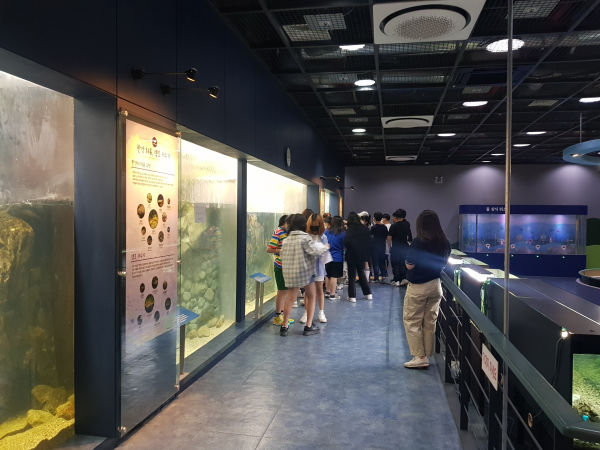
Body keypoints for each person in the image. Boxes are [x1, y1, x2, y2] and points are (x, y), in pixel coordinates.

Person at [403, 210, 451, 369]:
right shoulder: (445, 242)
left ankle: (420, 356)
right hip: (436, 286)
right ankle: (427, 354)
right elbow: (444, 263)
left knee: (412, 321)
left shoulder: (418, 242)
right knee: (430, 322)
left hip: (419, 287)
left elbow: (410, 265)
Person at [280, 214, 329, 336]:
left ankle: (284, 327)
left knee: (290, 299)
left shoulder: (286, 240)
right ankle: (308, 326)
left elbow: (282, 256)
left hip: (290, 273)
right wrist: (325, 247)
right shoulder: (305, 238)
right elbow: (316, 252)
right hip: (306, 273)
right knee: (311, 296)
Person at [267, 215, 296, 326]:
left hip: (288, 266)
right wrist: (282, 250)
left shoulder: (288, 233)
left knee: (285, 291)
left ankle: (282, 316)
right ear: (287, 223)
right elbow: (269, 249)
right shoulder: (278, 232)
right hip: (280, 266)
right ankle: (278, 316)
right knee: (282, 291)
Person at [301, 214, 329, 324]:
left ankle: (321, 312)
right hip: (308, 267)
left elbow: (325, 251)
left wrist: (325, 249)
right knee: (308, 291)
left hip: (319, 266)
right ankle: (306, 313)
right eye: (312, 225)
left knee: (319, 289)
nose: (314, 227)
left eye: (316, 225)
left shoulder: (323, 237)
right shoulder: (306, 236)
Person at [343, 212, 372, 303]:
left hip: (351, 254)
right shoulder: (364, 228)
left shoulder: (350, 229)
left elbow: (346, 242)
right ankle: (368, 293)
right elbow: (369, 242)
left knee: (352, 276)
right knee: (361, 273)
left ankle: (352, 296)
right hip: (362, 254)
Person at [388, 209, 412, 286]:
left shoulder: (393, 226)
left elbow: (389, 238)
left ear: (395, 218)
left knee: (395, 264)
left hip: (395, 248)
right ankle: (403, 279)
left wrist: (389, 247)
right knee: (402, 264)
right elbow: (408, 237)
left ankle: (396, 280)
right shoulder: (406, 225)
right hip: (404, 248)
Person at [324, 216, 345, 300]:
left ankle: (327, 292)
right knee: (334, 276)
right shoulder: (342, 233)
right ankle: (333, 294)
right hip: (337, 257)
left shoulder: (326, 231)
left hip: (327, 256)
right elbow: (344, 245)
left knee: (327, 275)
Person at [370, 212, 388, 283]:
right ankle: (383, 277)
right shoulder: (384, 227)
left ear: (374, 218)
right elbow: (386, 237)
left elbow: (371, 237)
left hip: (374, 246)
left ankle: (376, 278)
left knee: (375, 262)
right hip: (382, 246)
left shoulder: (373, 227)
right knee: (382, 262)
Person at [382, 213, 392, 278]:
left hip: (386, 245)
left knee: (384, 259)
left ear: (384, 219)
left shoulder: (386, 227)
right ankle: (385, 271)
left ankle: (384, 271)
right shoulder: (391, 226)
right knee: (386, 259)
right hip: (389, 245)